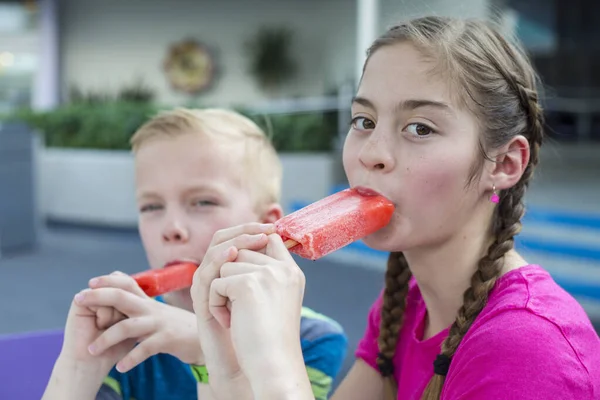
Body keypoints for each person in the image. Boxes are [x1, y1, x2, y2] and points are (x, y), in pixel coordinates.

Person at [190, 16, 600, 400]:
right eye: (364, 121)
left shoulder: (529, 349)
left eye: (420, 128)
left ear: (506, 163)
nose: (372, 153)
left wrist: (277, 362)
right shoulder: (407, 307)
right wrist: (229, 362)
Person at [42, 108, 348, 400]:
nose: (172, 228)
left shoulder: (311, 339)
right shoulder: (126, 334)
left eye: (202, 202)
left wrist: (207, 353)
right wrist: (77, 368)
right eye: (151, 207)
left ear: (265, 228)